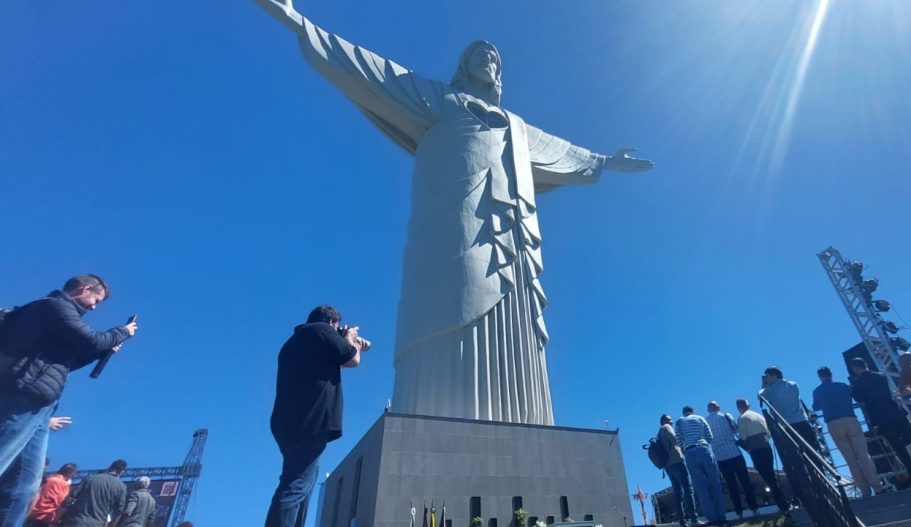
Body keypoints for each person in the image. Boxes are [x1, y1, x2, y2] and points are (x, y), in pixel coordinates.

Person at [254, 0, 654, 425]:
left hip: (513, 245)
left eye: (496, 59)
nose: (490, 60)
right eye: (480, 54)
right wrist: (297, 21)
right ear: (464, 67)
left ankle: (530, 422)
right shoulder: (443, 100)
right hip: (450, 237)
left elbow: (559, 150)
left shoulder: (515, 126)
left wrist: (606, 161)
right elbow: (372, 71)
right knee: (444, 312)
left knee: (517, 325)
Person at [0, 275, 136, 527]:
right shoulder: (54, 306)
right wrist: (122, 333)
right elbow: (92, 340)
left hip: (41, 404)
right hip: (25, 394)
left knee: (24, 487)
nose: (94, 307)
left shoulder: (58, 318)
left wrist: (101, 352)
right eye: (95, 299)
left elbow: (67, 363)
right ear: (83, 289)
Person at [267, 305, 368, 527]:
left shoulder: (293, 342)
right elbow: (352, 359)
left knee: (303, 483)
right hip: (310, 420)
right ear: (331, 321)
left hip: (288, 422)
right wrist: (351, 339)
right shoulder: (321, 331)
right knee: (296, 485)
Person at [848, 358, 911, 487]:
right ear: (866, 364)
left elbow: (858, 398)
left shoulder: (858, 384)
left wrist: (854, 387)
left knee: (899, 448)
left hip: (881, 419)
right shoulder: (881, 376)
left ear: (855, 368)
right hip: (897, 413)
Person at [812, 367, 882, 497]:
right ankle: (877, 485)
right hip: (850, 419)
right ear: (831, 374)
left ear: (820, 376)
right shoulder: (843, 386)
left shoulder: (817, 391)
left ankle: (864, 490)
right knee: (863, 454)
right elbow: (854, 397)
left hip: (833, 423)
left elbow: (816, 407)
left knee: (850, 460)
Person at [734, 399, 790, 513]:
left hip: (756, 450)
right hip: (766, 446)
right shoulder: (759, 416)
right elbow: (768, 433)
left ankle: (783, 504)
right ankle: (783, 502)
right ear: (748, 405)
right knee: (771, 476)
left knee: (768, 478)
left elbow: (743, 437)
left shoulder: (742, 418)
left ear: (738, 407)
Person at [674, 406, 727, 525]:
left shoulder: (679, 422)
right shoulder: (701, 418)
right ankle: (721, 516)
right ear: (693, 411)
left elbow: (678, 440)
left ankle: (712, 518)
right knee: (715, 483)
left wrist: (685, 447)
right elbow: (710, 436)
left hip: (689, 452)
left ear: (683, 413)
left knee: (701, 487)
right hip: (704, 449)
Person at [704, 401, 758, 518]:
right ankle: (754, 507)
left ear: (709, 410)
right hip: (734, 452)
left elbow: (707, 439)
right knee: (745, 481)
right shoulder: (726, 416)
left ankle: (739, 511)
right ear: (718, 407)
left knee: (731, 486)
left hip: (721, 457)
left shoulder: (705, 421)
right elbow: (736, 429)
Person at [758, 367, 822, 457]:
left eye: (767, 376)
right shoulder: (793, 384)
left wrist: (764, 386)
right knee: (812, 450)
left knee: (795, 454)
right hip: (803, 422)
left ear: (774, 375)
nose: (766, 379)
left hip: (787, 426)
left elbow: (760, 396)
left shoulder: (771, 390)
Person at [60, 459, 128, 527]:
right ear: (122, 472)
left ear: (110, 467)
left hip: (75, 521)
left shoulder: (90, 478)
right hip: (97, 523)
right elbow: (119, 511)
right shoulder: (121, 487)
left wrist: (57, 517)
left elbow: (70, 498)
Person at [657, 415, 698, 526]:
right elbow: (676, 440)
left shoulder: (659, 433)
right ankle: (694, 518)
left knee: (678, 494)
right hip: (677, 462)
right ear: (664, 421)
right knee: (688, 490)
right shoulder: (666, 427)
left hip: (668, 466)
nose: (672, 421)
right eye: (670, 419)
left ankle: (682, 521)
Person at [24, 463, 75, 527]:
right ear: (70, 473)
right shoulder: (64, 485)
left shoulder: (47, 479)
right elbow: (62, 503)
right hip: (44, 518)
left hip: (30, 515)